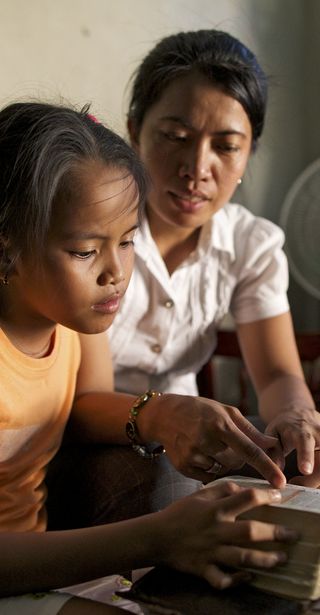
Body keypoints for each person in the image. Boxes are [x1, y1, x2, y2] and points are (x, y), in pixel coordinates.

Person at [0, 101, 298, 614]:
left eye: (129, 241)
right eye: (84, 251)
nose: (116, 272)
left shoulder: (72, 320)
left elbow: (86, 401)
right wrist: (156, 538)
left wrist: (166, 411)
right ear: (6, 247)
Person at [106, 28, 319, 487]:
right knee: (167, 487)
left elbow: (279, 373)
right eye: (175, 136)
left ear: (248, 155)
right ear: (133, 133)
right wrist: (162, 416)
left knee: (305, 466)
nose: (197, 169)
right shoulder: (93, 233)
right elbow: (71, 397)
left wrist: (296, 415)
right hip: (92, 433)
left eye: (225, 146)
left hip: (190, 433)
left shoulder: (249, 245)